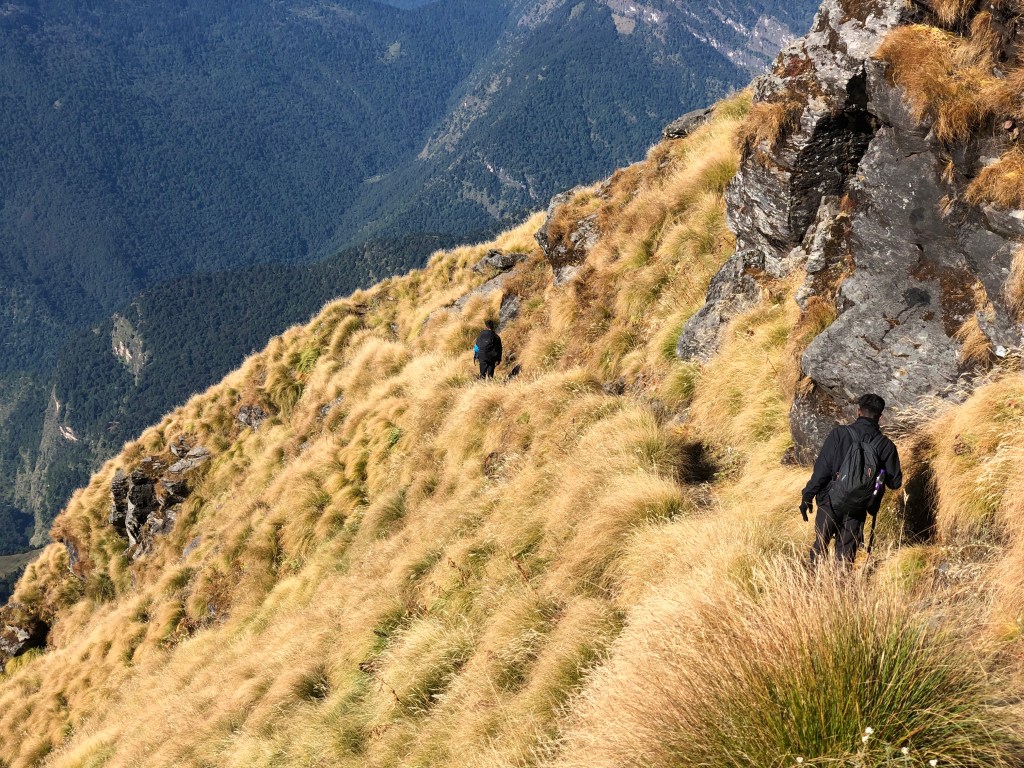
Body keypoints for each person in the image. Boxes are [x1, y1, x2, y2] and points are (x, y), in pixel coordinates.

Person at [801, 393, 902, 565]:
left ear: (858, 412)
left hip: (829, 501)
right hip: (858, 507)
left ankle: (813, 587)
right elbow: (895, 482)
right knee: (846, 558)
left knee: (820, 548)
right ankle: (842, 589)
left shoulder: (840, 434)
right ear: (880, 416)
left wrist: (807, 496)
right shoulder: (886, 446)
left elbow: (822, 470)